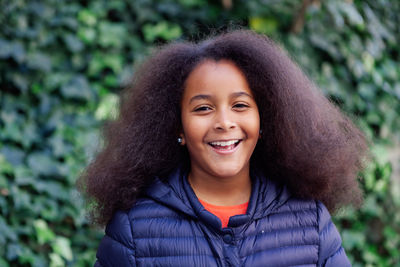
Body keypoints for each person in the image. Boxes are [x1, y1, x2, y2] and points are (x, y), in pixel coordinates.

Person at [78, 29, 369, 266]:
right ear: (177, 125)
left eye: (240, 105)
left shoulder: (309, 221)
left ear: (265, 118)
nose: (224, 122)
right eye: (203, 108)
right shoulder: (134, 230)